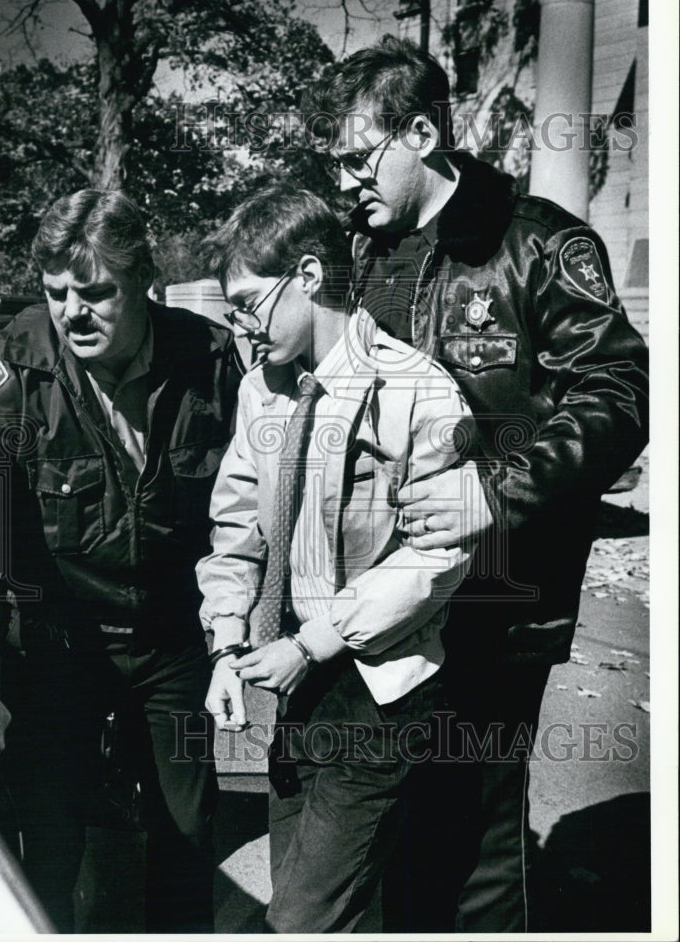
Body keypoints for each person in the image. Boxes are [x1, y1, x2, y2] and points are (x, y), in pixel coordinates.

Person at [302, 36, 650, 931]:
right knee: (371, 833)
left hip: (497, 604)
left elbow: (618, 394)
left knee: (474, 844)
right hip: (366, 605)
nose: (345, 181)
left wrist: (492, 490)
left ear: (420, 133)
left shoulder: (537, 244)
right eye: (333, 162)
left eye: (357, 156)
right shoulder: (352, 257)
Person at [0, 189, 240, 933]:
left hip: (172, 638)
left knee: (187, 835)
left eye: (96, 292)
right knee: (48, 845)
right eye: (57, 293)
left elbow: (250, 502)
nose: (74, 313)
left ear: (145, 284)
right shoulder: (8, 360)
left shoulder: (209, 356)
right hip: (56, 639)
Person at [196, 184, 476, 932]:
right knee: (319, 897)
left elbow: (441, 552)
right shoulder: (264, 389)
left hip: (376, 686)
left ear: (310, 277)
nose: (241, 327)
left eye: (249, 303)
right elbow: (236, 529)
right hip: (299, 687)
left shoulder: (414, 388)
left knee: (305, 915)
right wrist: (226, 646)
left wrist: (313, 642)